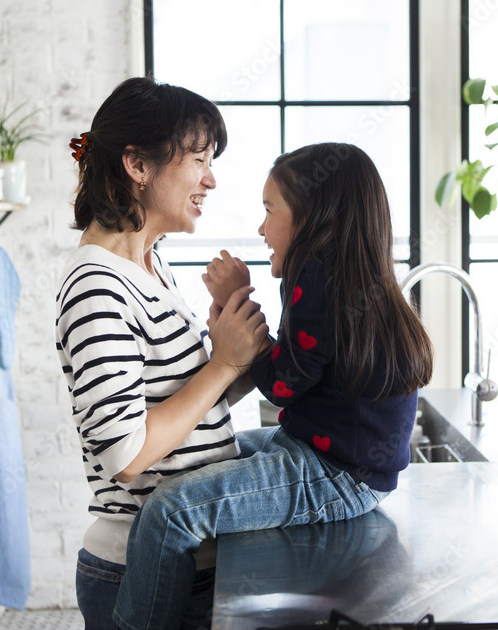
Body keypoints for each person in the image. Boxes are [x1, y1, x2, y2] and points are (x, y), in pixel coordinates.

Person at [113, 142, 434, 629]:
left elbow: (283, 384)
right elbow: (299, 369)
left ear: (311, 216)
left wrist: (234, 299)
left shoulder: (316, 280)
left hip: (334, 474)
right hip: (332, 460)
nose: (262, 229)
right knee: (206, 454)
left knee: (167, 513)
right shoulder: (350, 277)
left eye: (269, 211)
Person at [54, 77, 268, 630]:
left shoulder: (150, 266)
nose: (211, 179)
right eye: (199, 158)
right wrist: (222, 363)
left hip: (186, 558)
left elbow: (184, 408)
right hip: (139, 569)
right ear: (138, 165)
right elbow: (126, 456)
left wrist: (232, 352)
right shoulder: (96, 284)